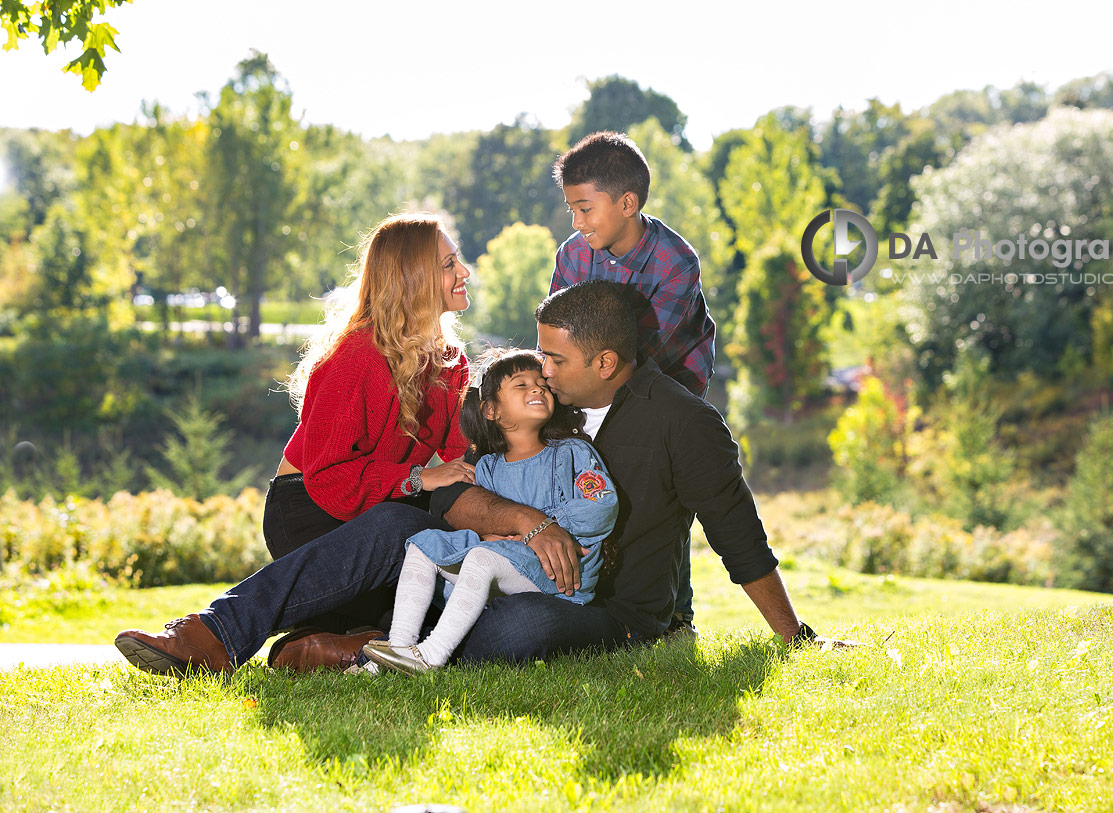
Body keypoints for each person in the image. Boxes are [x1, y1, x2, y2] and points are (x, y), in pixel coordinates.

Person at [113, 282, 818, 677]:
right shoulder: (539, 402)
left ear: (605, 363)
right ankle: (214, 634)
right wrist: (524, 520)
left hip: (594, 600)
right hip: (485, 561)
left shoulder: (681, 423)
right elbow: (454, 486)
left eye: (554, 359)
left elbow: (739, 537)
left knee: (524, 625)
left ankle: (364, 645)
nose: (538, 371)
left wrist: (795, 637)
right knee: (396, 525)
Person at [260, 212, 478, 636]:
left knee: (430, 620)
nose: (463, 272)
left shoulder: (451, 363)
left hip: (379, 501)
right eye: (448, 264)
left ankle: (318, 638)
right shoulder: (358, 357)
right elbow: (328, 478)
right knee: (404, 614)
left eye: (458, 261)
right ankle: (310, 635)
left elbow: (461, 459)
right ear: (412, 278)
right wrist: (419, 478)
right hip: (310, 507)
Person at [551, 131, 716, 638]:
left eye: (585, 209)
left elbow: (641, 359)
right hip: (594, 374)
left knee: (665, 486)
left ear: (627, 203)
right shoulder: (575, 255)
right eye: (571, 211)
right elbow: (558, 324)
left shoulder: (675, 262)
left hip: (667, 376)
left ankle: (677, 614)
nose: (577, 224)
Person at [364, 349, 617, 674]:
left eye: (541, 383)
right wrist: (488, 534)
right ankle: (399, 648)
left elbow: (602, 505)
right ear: (491, 410)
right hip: (508, 564)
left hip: (562, 571)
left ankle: (431, 656)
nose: (537, 388)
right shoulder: (485, 468)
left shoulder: (573, 453)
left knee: (482, 558)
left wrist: (540, 529)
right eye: (521, 384)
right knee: (422, 545)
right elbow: (477, 522)